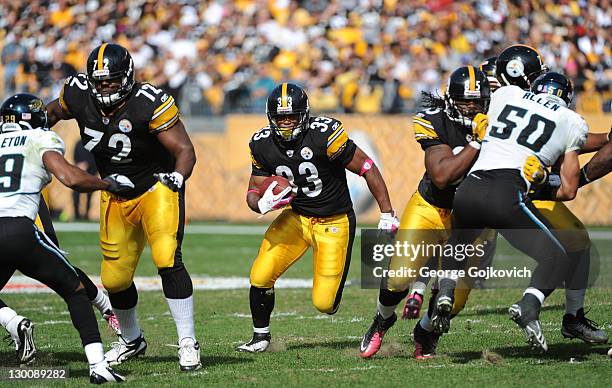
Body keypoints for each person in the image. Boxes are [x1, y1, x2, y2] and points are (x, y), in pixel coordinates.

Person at [46, 43, 200, 370]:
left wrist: (177, 176)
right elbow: (51, 113)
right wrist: (25, 129)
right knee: (114, 279)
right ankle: (132, 339)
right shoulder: (77, 92)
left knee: (166, 257)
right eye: (98, 81)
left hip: (155, 188)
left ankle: (187, 341)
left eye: (110, 82)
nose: (102, 89)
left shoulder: (149, 102)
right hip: (114, 193)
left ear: (127, 77)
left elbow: (185, 150)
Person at [430, 71, 590, 352]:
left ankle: (445, 288)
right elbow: (568, 190)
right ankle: (529, 305)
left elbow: (482, 95)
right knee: (558, 256)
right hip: (507, 192)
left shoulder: (507, 94)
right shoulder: (572, 122)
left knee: (459, 242)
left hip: (469, 188)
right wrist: (541, 179)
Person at [237, 82, 400, 352]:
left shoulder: (325, 134)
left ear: (304, 114)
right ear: (270, 118)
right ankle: (260, 336)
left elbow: (367, 167)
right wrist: (262, 203)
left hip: (333, 221)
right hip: (296, 218)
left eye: (291, 117)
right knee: (260, 274)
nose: (286, 124)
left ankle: (383, 315)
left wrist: (386, 212)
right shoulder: (261, 143)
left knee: (325, 304)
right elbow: (253, 189)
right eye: (280, 118)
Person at [359, 66, 495, 359]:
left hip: (476, 219)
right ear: (449, 99)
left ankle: (425, 331)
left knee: (455, 301)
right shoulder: (433, 120)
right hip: (432, 207)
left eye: (477, 101)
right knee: (398, 278)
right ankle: (382, 320)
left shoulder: (501, 124)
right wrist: (477, 142)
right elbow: (442, 176)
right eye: (464, 101)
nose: (472, 108)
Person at [0, 93, 131, 382]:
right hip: (20, 228)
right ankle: (98, 365)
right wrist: (106, 183)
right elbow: (70, 178)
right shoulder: (39, 139)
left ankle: (14, 323)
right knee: (73, 290)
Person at [72, 139, 97, 220]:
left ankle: (86, 214)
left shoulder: (93, 143)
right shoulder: (79, 143)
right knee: (76, 193)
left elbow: (95, 158)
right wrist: (79, 165)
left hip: (90, 172)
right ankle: (77, 214)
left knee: (89, 193)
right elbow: (75, 156)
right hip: (79, 172)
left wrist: (87, 164)